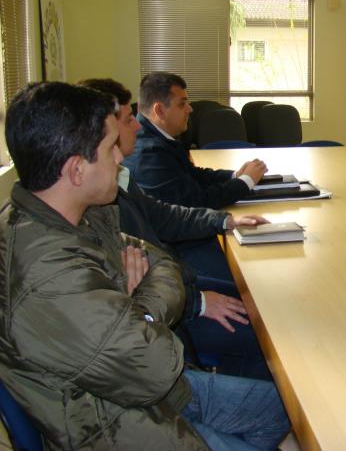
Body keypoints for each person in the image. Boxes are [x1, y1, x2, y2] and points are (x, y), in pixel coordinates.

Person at [0, 82, 289, 450]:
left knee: (281, 410)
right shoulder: (48, 276)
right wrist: (136, 307)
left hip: (152, 394)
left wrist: (133, 303)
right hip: (116, 423)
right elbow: (154, 365)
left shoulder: (80, 214)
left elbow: (159, 260)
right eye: (108, 150)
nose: (120, 159)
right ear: (76, 170)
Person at [79, 78, 272, 380]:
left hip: (175, 288)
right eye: (129, 120)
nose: (139, 127)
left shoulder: (118, 177)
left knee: (263, 299)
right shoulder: (98, 200)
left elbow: (162, 216)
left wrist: (224, 220)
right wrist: (199, 301)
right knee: (268, 333)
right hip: (170, 312)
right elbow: (134, 285)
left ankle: (237, 385)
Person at [122, 71, 267, 209]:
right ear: (159, 110)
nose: (190, 109)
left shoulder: (158, 137)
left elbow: (193, 175)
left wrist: (234, 175)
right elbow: (196, 201)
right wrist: (246, 181)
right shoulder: (150, 154)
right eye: (182, 104)